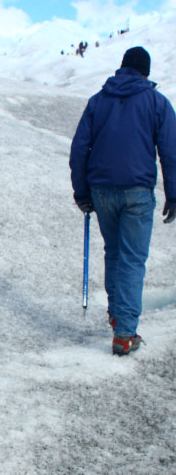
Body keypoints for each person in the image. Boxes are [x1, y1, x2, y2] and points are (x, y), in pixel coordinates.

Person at [70, 46, 176, 355]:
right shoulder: (156, 102)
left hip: (102, 190)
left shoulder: (98, 101)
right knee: (132, 259)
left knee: (114, 253)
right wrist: (173, 193)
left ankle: (117, 315)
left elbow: (79, 150)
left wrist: (82, 192)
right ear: (146, 71)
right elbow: (170, 152)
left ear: (122, 68)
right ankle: (125, 333)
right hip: (137, 192)